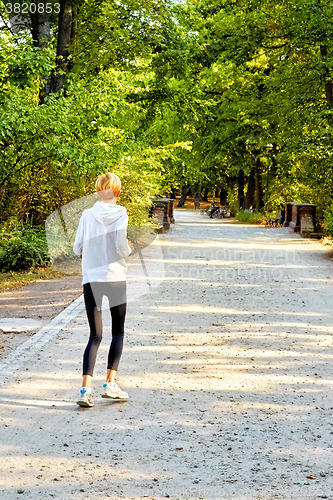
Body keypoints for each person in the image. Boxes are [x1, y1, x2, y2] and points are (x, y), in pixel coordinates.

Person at [73, 172, 132, 407]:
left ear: (98, 191)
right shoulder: (121, 214)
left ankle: (85, 390)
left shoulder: (87, 215)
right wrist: (128, 248)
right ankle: (110, 385)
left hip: (92, 280)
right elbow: (121, 247)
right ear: (117, 192)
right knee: (118, 332)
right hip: (115, 277)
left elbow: (78, 248)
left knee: (95, 335)